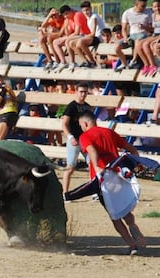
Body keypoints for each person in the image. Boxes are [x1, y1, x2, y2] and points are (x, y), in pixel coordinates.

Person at [73, 110, 145, 255]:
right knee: (123, 207)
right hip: (118, 175)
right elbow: (131, 149)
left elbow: (92, 151)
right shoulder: (108, 132)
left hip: (103, 180)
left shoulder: (85, 136)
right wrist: (135, 164)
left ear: (85, 124)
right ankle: (132, 225)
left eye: (81, 125)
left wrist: (97, 166)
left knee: (114, 214)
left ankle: (132, 245)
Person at [61, 82, 92, 198]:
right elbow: (64, 124)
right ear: (76, 92)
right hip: (75, 139)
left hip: (85, 139)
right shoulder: (71, 107)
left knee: (92, 165)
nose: (83, 94)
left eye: (85, 92)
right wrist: (70, 137)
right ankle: (65, 193)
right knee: (70, 167)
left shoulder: (88, 107)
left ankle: (94, 191)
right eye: (81, 92)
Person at [113, 0, 152, 72]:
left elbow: (151, 29)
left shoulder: (148, 12)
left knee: (138, 41)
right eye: (142, 6)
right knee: (116, 47)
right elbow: (124, 29)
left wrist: (144, 27)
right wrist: (125, 38)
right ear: (136, 4)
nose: (144, 8)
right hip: (132, 36)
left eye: (145, 5)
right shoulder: (127, 13)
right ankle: (124, 63)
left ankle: (134, 60)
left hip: (143, 36)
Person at [52, 5, 90, 72]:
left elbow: (77, 32)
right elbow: (68, 34)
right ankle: (63, 62)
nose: (65, 16)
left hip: (84, 35)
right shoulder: (68, 19)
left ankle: (72, 62)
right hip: (77, 36)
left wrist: (67, 38)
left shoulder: (77, 15)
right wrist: (66, 25)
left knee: (67, 41)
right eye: (64, 15)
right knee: (55, 42)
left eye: (66, 14)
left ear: (70, 11)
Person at [69, 1, 106, 68]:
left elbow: (93, 33)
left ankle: (92, 62)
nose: (85, 12)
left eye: (87, 10)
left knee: (80, 41)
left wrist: (82, 38)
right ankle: (86, 61)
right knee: (71, 43)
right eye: (83, 11)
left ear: (91, 8)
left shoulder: (94, 17)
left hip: (99, 38)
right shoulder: (87, 18)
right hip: (92, 38)